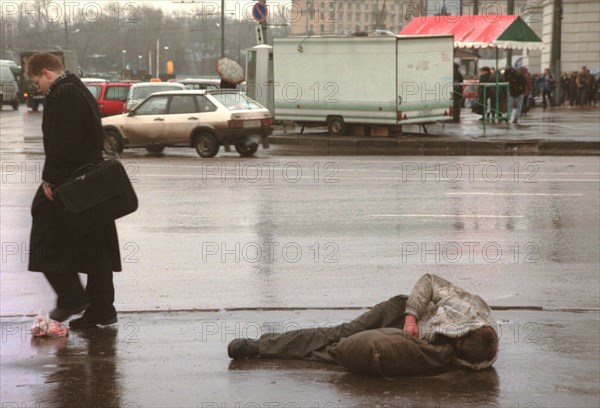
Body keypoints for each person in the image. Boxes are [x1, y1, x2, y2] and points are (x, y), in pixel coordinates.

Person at [227, 274, 499, 372]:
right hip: (402, 313)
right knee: (340, 332)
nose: (451, 341)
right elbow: (428, 281)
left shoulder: (475, 358)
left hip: (408, 341)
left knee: (340, 353)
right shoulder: (469, 306)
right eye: (454, 337)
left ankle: (297, 352)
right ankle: (259, 346)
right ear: (466, 328)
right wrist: (411, 317)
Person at [26, 52, 122, 329]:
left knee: (43, 234)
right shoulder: (76, 87)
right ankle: (101, 309)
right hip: (89, 181)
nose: (37, 88)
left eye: (36, 81)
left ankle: (71, 297)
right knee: (95, 244)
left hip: (71, 181)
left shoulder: (64, 93)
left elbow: (63, 141)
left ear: (46, 72)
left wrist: (50, 180)